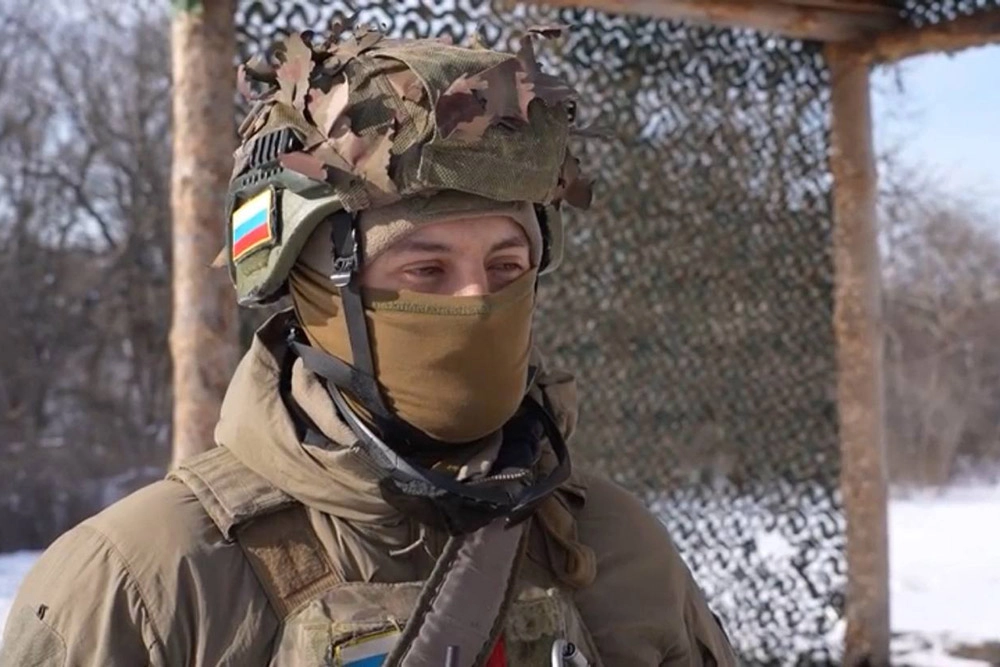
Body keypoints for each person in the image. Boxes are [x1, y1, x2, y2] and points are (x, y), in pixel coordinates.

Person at [0, 24, 738, 667]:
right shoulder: (146, 582)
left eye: (506, 267)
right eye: (426, 270)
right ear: (316, 288)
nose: (475, 301)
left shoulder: (615, 547)